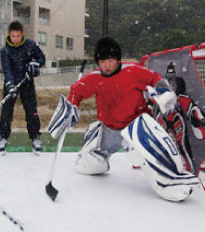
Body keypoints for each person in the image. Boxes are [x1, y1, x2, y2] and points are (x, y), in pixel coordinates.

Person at [67, 37, 197, 201]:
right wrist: (72, 107)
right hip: (109, 129)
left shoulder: (133, 71)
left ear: (118, 59)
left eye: (111, 60)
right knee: (92, 163)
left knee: (149, 157)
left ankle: (170, 182)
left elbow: (155, 79)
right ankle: (92, 150)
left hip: (135, 128)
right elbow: (76, 92)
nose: (106, 65)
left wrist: (164, 92)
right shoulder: (94, 78)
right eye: (102, 61)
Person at [0, 21, 46, 154]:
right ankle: (2, 137)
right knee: (6, 112)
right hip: (12, 84)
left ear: (22, 34)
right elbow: (7, 70)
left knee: (32, 111)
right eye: (13, 36)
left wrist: (34, 64)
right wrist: (10, 86)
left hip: (27, 83)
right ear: (9, 35)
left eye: (18, 36)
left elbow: (42, 58)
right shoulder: (5, 51)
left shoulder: (30, 45)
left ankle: (35, 137)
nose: (16, 39)